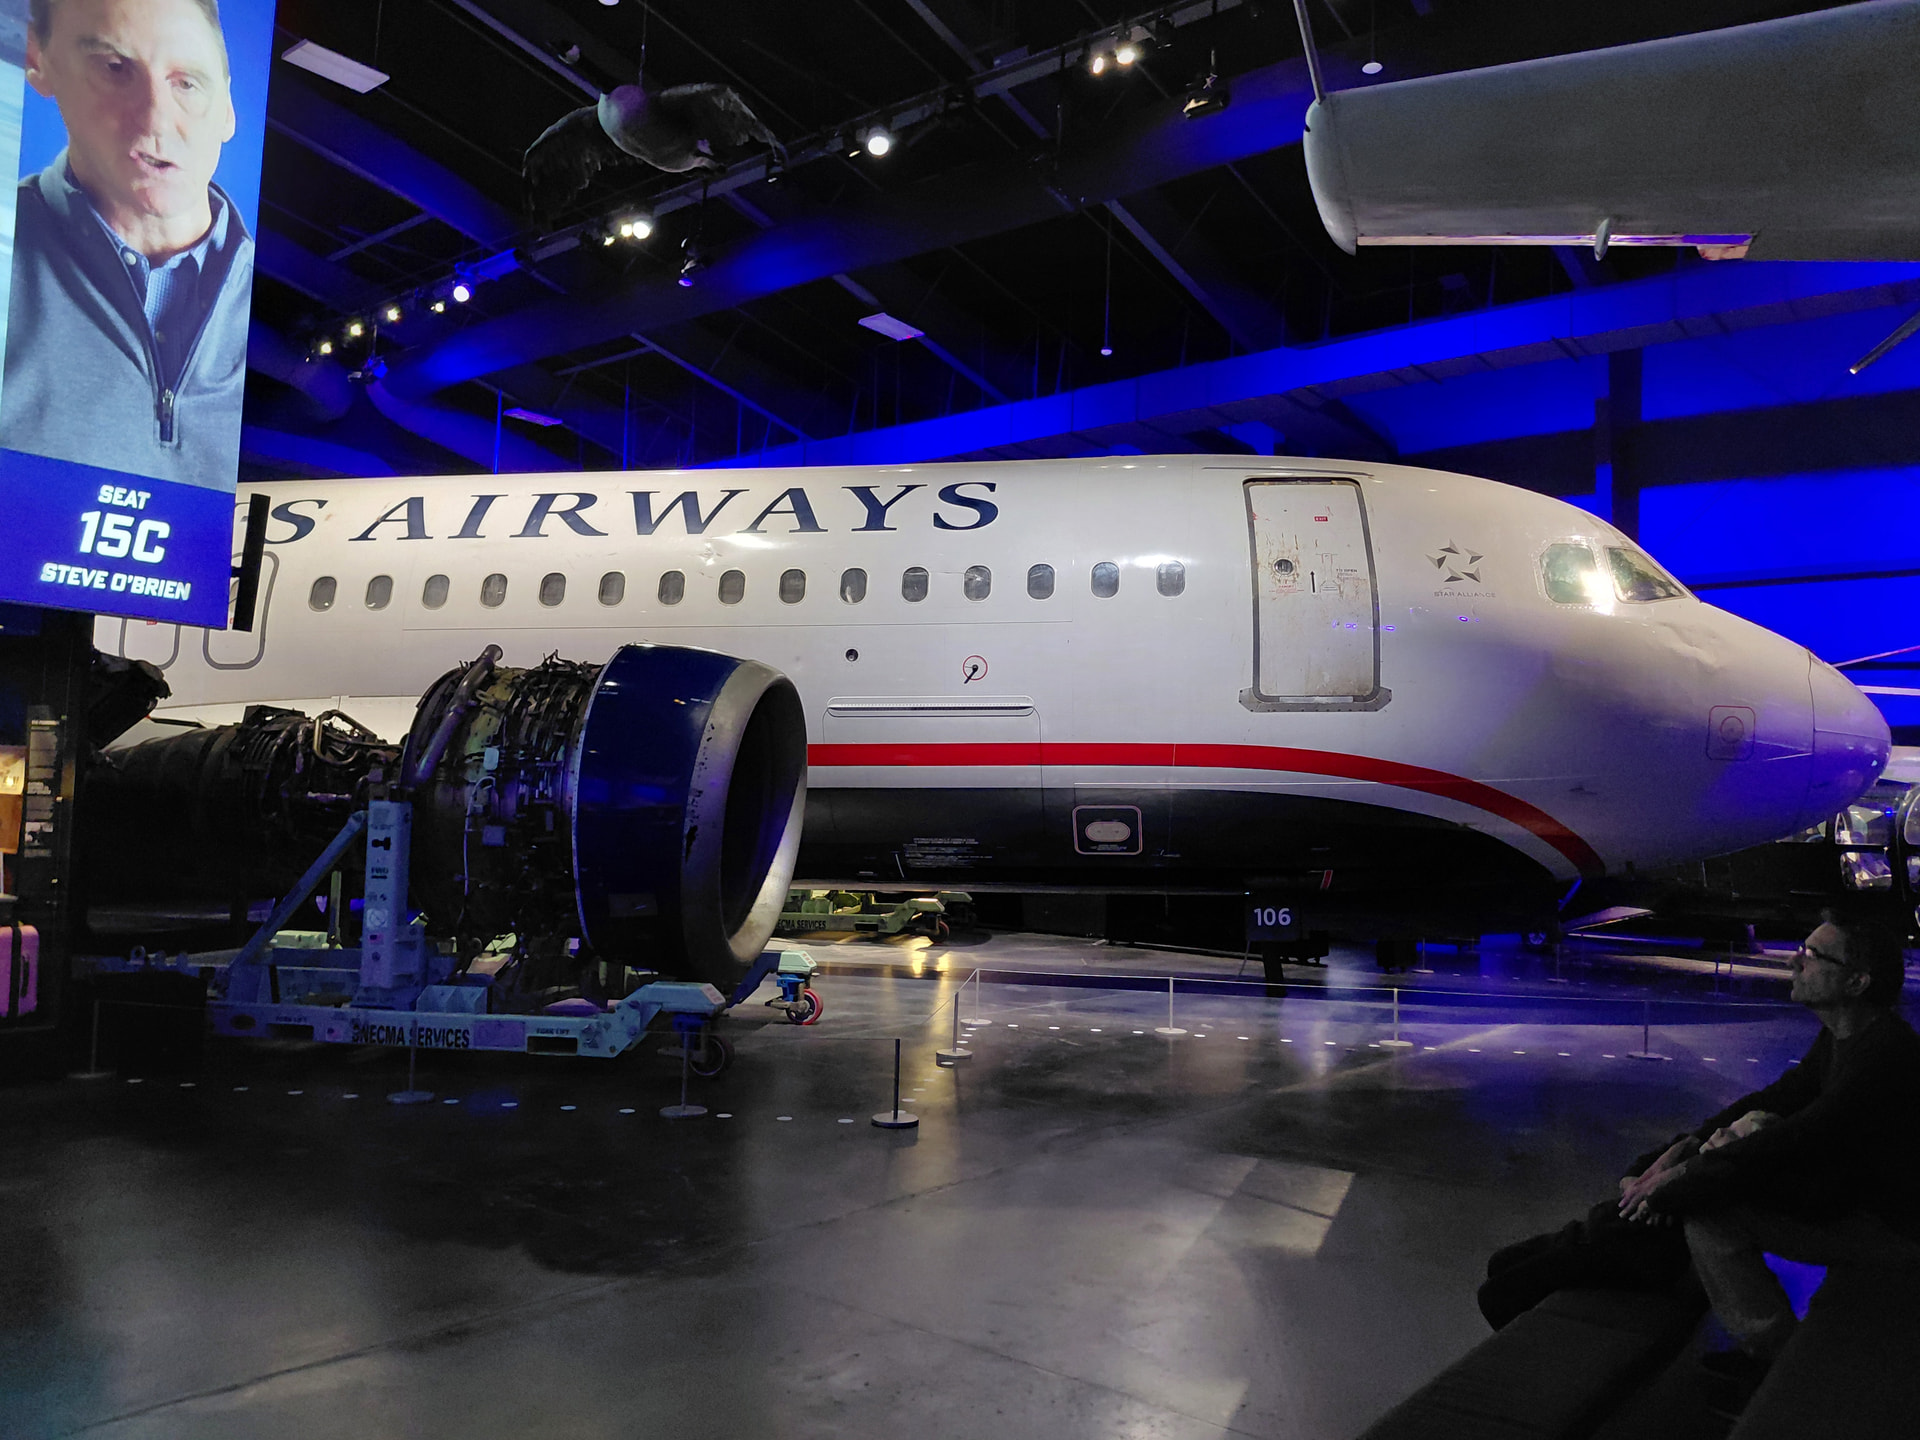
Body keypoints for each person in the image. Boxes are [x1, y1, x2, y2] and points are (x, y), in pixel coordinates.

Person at [1617, 911, 1920, 1372]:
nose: (1793, 962)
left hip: (1893, 1232)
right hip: (1860, 1204)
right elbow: (1777, 1098)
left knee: (1711, 1215)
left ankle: (1774, 1360)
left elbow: (1795, 1139)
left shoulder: (1885, 1057)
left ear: (1857, 982)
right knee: (1724, 1172)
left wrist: (1673, 1184)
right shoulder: (1849, 1036)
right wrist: (1682, 1147)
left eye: (1812, 955)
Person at [0, 0, 252, 488]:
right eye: (115, 69)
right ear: (38, 59)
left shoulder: (263, 312)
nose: (156, 120)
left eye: (186, 83)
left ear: (227, 109)